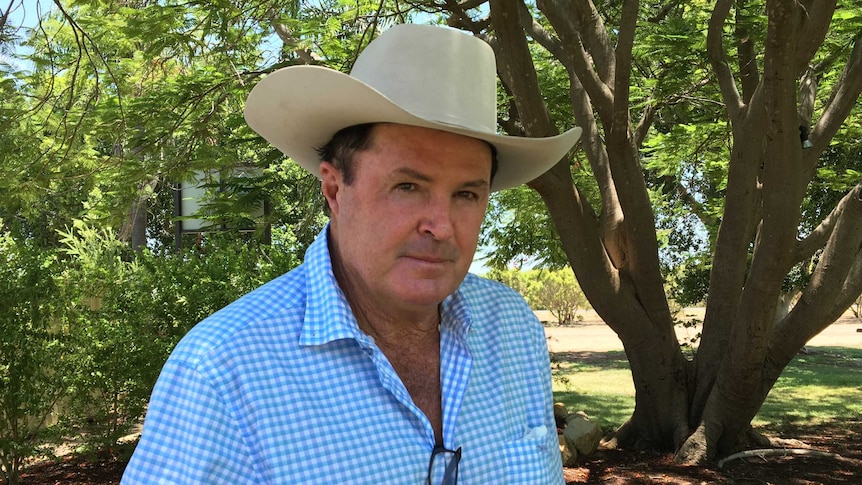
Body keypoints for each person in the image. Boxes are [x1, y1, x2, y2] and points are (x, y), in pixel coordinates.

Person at [122, 23, 581, 484]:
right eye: (407, 186)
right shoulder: (222, 372)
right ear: (334, 188)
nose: (441, 226)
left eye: (466, 194)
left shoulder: (513, 330)